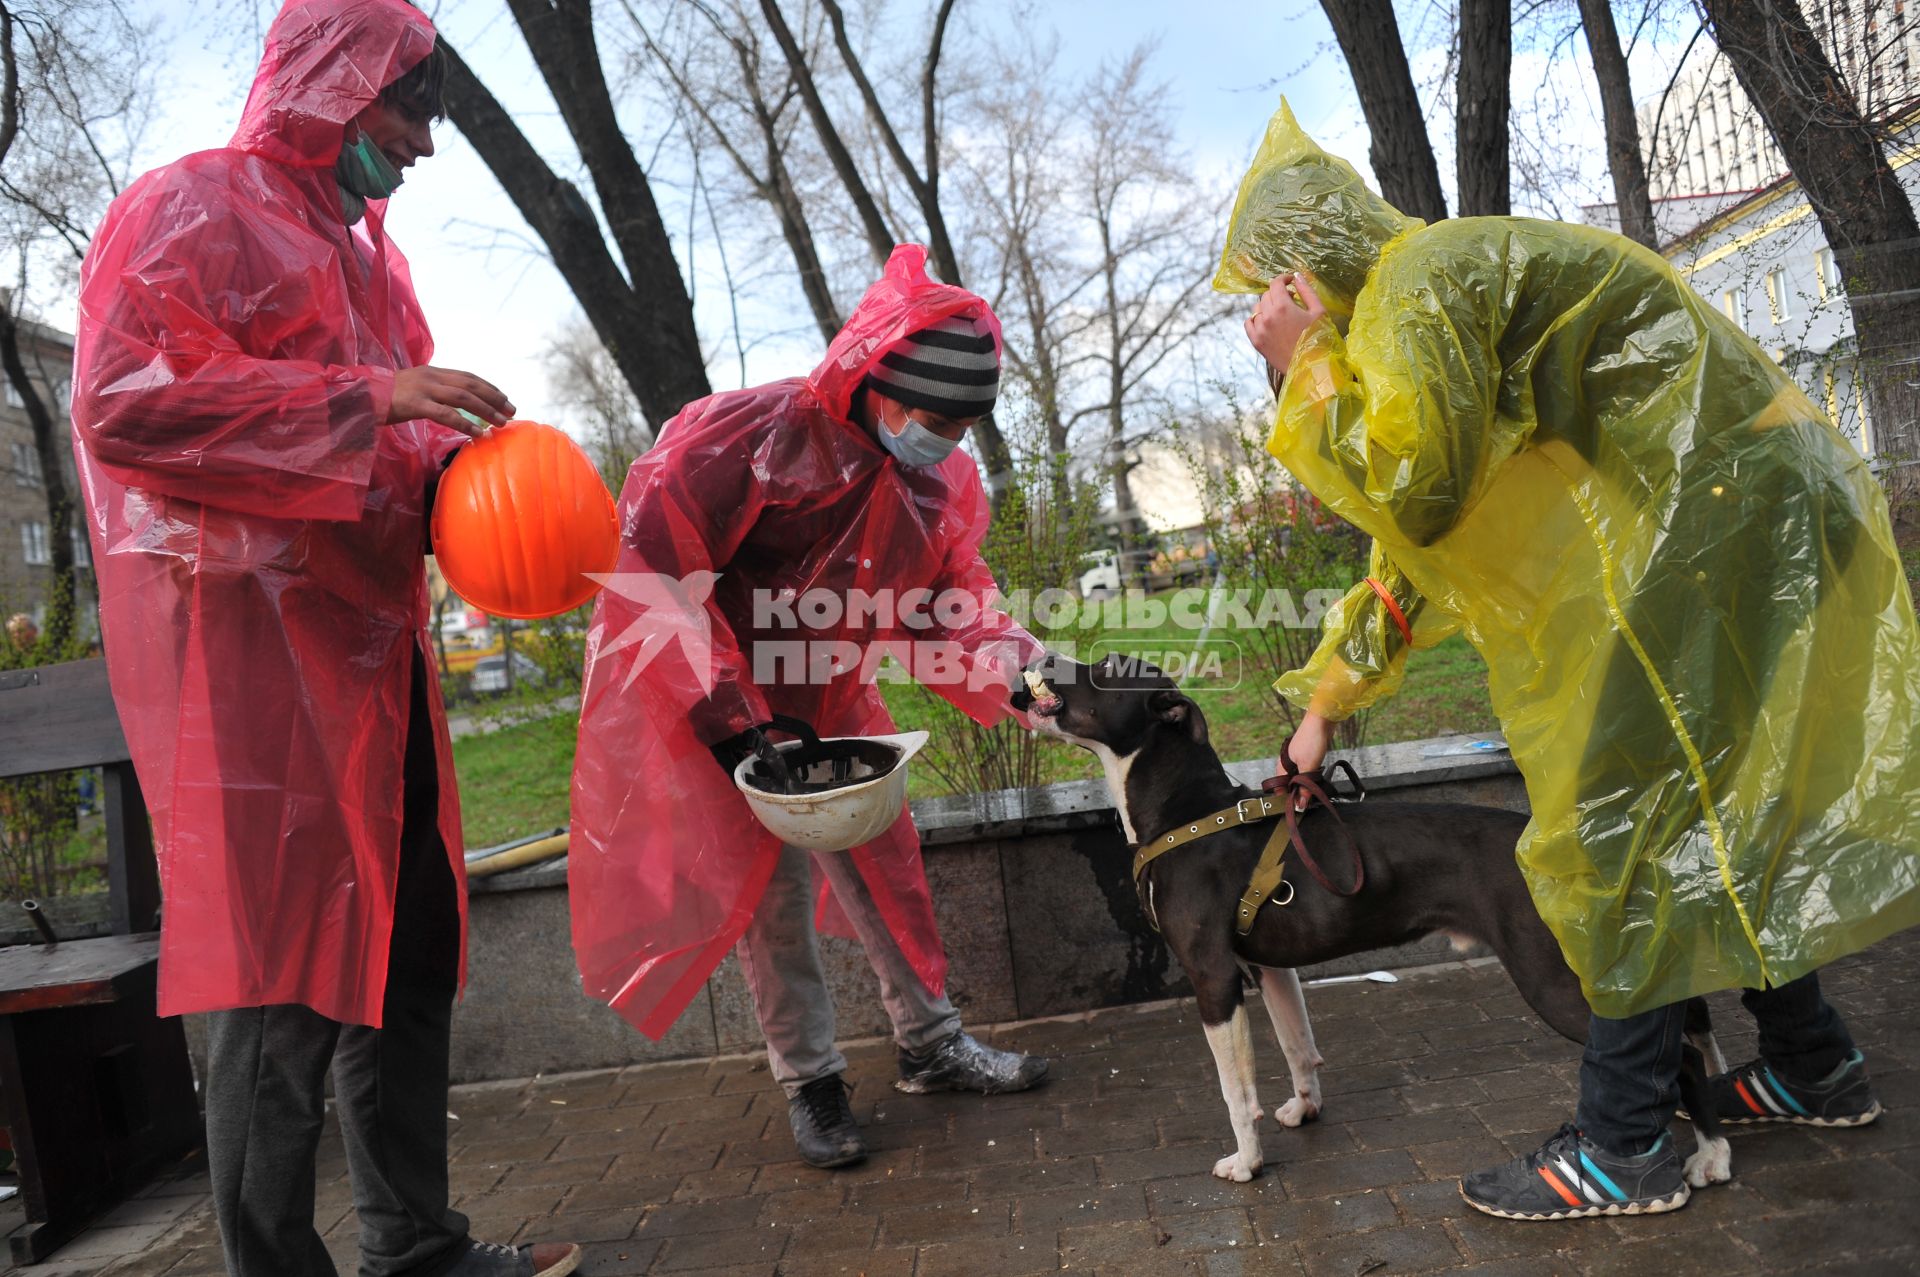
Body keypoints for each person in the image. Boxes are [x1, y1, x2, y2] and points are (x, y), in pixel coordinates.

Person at [1226, 102, 1920, 1220]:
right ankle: (1810, 1059)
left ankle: (1626, 1138)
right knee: (1706, 808)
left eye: (1262, 289)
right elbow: (1415, 549)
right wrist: (1323, 705)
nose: (1255, 315)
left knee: (1617, 822)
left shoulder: (1413, 290)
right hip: (1745, 519)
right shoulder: (1422, 300)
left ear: (1302, 272)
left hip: (1721, 529)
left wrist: (1307, 367)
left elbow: (1417, 492)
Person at [70, 2, 578, 1273]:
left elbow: (382, 456)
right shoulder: (192, 206)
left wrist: (470, 490)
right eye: (411, 109)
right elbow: (124, 402)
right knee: (284, 986)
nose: (423, 145)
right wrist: (368, 395)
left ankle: (415, 1245)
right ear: (334, 82)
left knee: (405, 958)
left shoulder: (370, 265)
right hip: (253, 667)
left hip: (377, 664)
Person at [571, 244, 1049, 1169]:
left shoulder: (933, 479)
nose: (945, 441)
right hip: (728, 704)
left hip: (832, 688)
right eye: (933, 419)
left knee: (889, 863)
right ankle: (812, 1081)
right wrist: (735, 722)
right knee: (770, 897)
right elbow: (655, 573)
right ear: (879, 384)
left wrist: (1031, 676)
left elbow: (959, 600)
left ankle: (931, 1042)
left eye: (961, 426)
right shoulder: (746, 437)